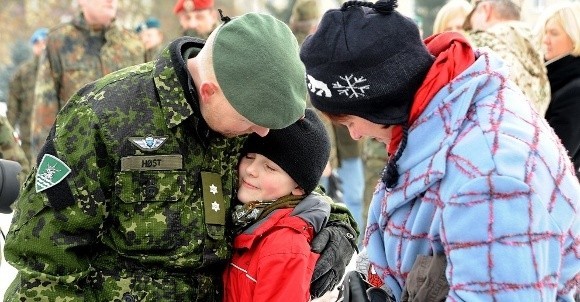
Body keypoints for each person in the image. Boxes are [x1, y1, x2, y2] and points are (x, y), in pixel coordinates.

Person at [3, 12, 357, 301]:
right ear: (209, 91)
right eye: (252, 123)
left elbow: (288, 182)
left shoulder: (247, 110)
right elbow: (43, 262)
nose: (263, 134)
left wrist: (337, 223)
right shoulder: (101, 117)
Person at [300, 0, 580, 300]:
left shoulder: (490, 180)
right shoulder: (431, 120)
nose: (354, 135)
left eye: (351, 121)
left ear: (383, 103)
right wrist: (370, 279)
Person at [222, 109, 331, 301]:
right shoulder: (247, 219)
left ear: (299, 186)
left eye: (270, 167)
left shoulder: (284, 247)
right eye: (249, 156)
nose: (251, 170)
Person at [30, 0, 145, 165]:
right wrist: (44, 168)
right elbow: (44, 114)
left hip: (128, 161)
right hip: (78, 164)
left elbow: (148, 106)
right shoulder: (59, 41)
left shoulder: (134, 44)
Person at [463, 0, 550, 115]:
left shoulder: (479, 46)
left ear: (486, 10)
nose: (469, 28)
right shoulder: (537, 55)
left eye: (470, 22)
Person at [538, 2, 580, 181]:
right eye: (545, 32)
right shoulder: (551, 79)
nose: (545, 39)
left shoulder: (575, 90)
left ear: (575, 38)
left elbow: (557, 153)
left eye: (554, 33)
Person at [7, 28, 48, 163]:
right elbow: (12, 107)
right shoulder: (22, 73)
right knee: (28, 173)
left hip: (54, 135)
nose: (42, 47)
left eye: (45, 43)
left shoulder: (58, 69)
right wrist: (9, 133)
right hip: (27, 137)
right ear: (33, 47)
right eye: (38, 44)